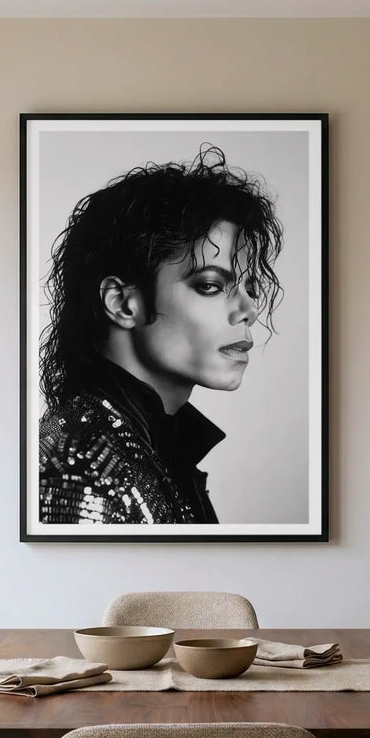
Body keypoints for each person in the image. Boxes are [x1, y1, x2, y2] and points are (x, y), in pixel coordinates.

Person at [38, 146, 284, 525]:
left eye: (250, 288)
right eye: (210, 285)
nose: (249, 308)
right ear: (123, 303)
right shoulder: (78, 468)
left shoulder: (155, 450)